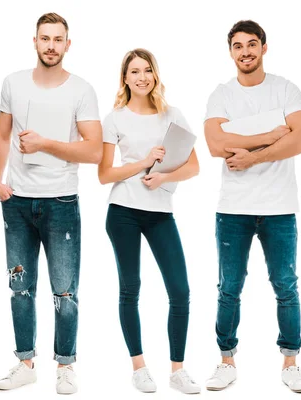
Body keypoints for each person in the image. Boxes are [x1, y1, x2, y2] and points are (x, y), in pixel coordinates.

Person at [0, 12, 102, 395]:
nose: (51, 45)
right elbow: (2, 136)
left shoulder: (81, 90)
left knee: (65, 292)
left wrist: (46, 144)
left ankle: (65, 365)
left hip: (60, 202)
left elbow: (93, 151)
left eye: (58, 39)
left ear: (67, 45)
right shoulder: (13, 83)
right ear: (35, 42)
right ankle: (25, 362)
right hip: (18, 203)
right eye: (45, 38)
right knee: (20, 288)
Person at [203, 20, 301, 393]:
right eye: (238, 46)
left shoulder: (285, 89)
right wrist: (269, 137)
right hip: (233, 208)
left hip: (280, 207)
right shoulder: (221, 95)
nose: (245, 51)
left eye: (252, 44)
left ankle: (291, 363)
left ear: (264, 47)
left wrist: (248, 155)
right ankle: (226, 361)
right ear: (231, 51)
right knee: (229, 287)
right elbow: (216, 144)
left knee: (286, 286)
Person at [99, 48, 201, 394]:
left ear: (155, 75)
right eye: (134, 71)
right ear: (125, 78)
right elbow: (104, 174)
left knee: (180, 291)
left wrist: (161, 177)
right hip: (123, 211)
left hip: (160, 212)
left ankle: (177, 369)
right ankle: (139, 367)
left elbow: (193, 166)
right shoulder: (114, 119)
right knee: (130, 289)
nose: (142, 77)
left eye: (147, 70)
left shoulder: (173, 115)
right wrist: (144, 163)